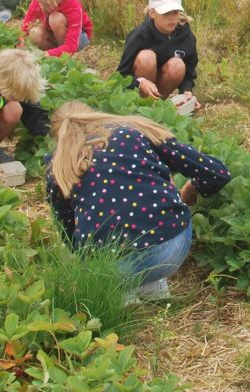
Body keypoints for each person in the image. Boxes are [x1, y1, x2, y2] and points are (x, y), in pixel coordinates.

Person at [45, 101, 231, 298]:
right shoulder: (133, 132)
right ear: (97, 117)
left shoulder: (58, 167)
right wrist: (191, 188)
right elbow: (217, 172)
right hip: (168, 251)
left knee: (104, 230)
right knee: (155, 184)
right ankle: (150, 285)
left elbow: (68, 234)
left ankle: (123, 294)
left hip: (108, 268)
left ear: (59, 138)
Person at [117, 0, 198, 103]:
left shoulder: (186, 35)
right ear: (152, 13)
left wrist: (186, 91)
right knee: (146, 57)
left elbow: (189, 72)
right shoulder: (140, 35)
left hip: (163, 82)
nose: (171, 18)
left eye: (175, 12)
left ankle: (157, 103)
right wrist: (140, 82)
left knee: (178, 65)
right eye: (165, 13)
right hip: (141, 83)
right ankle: (142, 102)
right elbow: (121, 74)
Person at [20, 0, 93, 57]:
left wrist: (44, 54)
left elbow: (71, 46)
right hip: (56, 35)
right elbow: (25, 26)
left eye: (46, 4)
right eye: (39, 2)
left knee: (55, 19)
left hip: (77, 38)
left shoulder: (73, 5)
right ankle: (58, 52)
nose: (42, 6)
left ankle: (64, 56)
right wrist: (20, 42)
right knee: (34, 33)